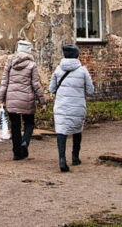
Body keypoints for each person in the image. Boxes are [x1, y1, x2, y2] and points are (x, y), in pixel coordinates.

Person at [49, 43, 94, 172]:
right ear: (76, 55)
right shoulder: (83, 71)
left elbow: (51, 89)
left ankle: (62, 159)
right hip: (78, 106)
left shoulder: (58, 70)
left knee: (61, 131)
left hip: (61, 106)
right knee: (77, 130)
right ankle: (75, 157)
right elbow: (90, 90)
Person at [0, 39, 44, 160]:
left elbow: (4, 82)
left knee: (15, 126)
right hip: (27, 99)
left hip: (12, 99)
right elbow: (36, 84)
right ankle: (25, 142)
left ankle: (17, 154)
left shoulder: (10, 62)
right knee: (29, 123)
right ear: (29, 51)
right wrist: (42, 101)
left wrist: (0, 99)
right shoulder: (31, 65)